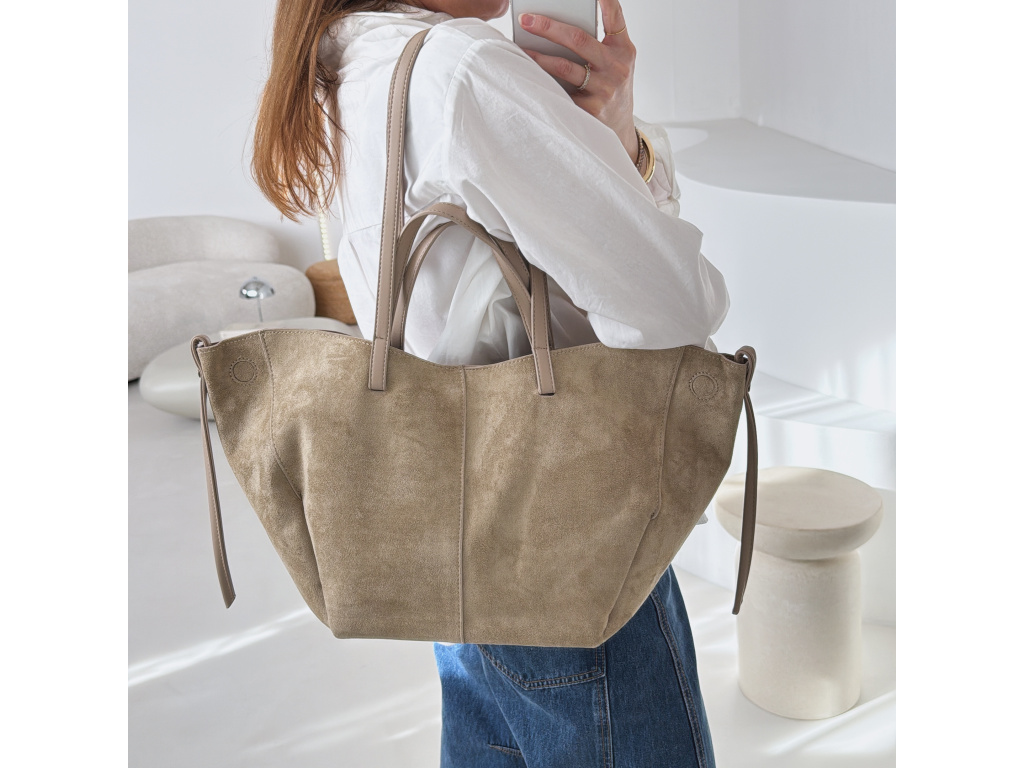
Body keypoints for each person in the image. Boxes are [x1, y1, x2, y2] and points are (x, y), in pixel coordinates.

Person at [252, 1, 727, 765]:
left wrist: (609, 133)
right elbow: (675, 305)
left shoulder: (349, 60)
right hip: (563, 532)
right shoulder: (460, 69)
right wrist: (621, 150)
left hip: (453, 523)